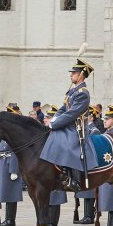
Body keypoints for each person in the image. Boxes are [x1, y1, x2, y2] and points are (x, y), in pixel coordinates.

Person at [40, 58, 97, 192]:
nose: (71, 75)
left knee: (69, 143)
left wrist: (54, 125)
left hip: (77, 127)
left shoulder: (83, 94)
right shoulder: (73, 92)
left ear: (81, 74)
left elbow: (72, 114)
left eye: (74, 72)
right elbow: (63, 109)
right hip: (68, 125)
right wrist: (53, 120)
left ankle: (74, 179)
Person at [0, 104, 24, 226]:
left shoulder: (16, 131)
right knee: (4, 193)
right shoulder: (6, 130)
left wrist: (14, 170)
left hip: (10, 165)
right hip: (2, 163)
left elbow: (16, 151)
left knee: (10, 193)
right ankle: (7, 218)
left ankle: (10, 219)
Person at [43, 106, 67, 226]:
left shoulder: (58, 132)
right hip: (46, 167)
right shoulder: (46, 132)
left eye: (48, 117)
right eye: (46, 117)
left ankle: (53, 222)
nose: (45, 119)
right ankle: (46, 221)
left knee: (56, 196)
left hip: (57, 166)